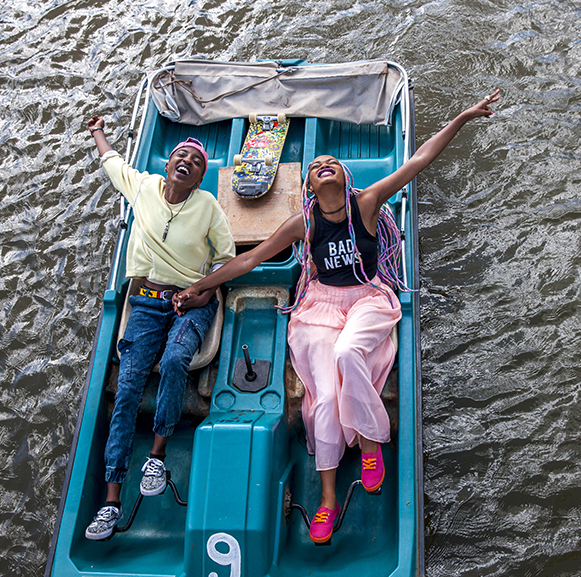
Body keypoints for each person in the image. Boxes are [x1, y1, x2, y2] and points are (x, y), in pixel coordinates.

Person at [173, 91, 502, 544]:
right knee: (323, 398)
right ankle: (327, 500)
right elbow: (250, 262)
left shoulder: (366, 204)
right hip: (320, 306)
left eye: (331, 162)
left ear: (345, 178)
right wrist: (200, 287)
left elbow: (419, 159)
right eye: (315, 165)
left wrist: (462, 115)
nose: (323, 164)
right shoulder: (303, 223)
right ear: (309, 186)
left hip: (367, 297)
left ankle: (371, 445)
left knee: (350, 352)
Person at [83, 115, 236, 541]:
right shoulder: (144, 187)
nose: (185, 161)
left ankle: (157, 454)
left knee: (174, 361)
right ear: (168, 166)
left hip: (190, 302)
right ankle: (111, 502)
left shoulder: (208, 207)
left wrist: (204, 293)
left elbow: (225, 259)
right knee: (128, 387)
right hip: (146, 303)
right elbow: (112, 161)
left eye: (195, 161)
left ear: (201, 176)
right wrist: (97, 129)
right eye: (179, 156)